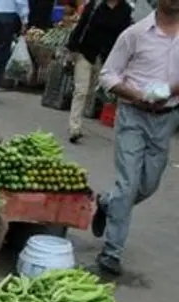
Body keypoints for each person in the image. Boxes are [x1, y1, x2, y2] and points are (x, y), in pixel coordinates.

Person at [89, 0, 179, 275]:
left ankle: (107, 202)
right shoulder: (135, 34)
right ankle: (112, 251)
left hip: (167, 118)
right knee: (128, 184)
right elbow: (107, 75)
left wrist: (169, 91)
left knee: (148, 184)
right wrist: (137, 95)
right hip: (133, 115)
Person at [65, 0, 134, 142]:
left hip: (107, 58)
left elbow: (125, 36)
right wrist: (71, 48)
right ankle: (74, 127)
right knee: (81, 91)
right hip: (86, 53)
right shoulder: (95, 5)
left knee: (91, 92)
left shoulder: (125, 10)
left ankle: (80, 121)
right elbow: (81, 26)